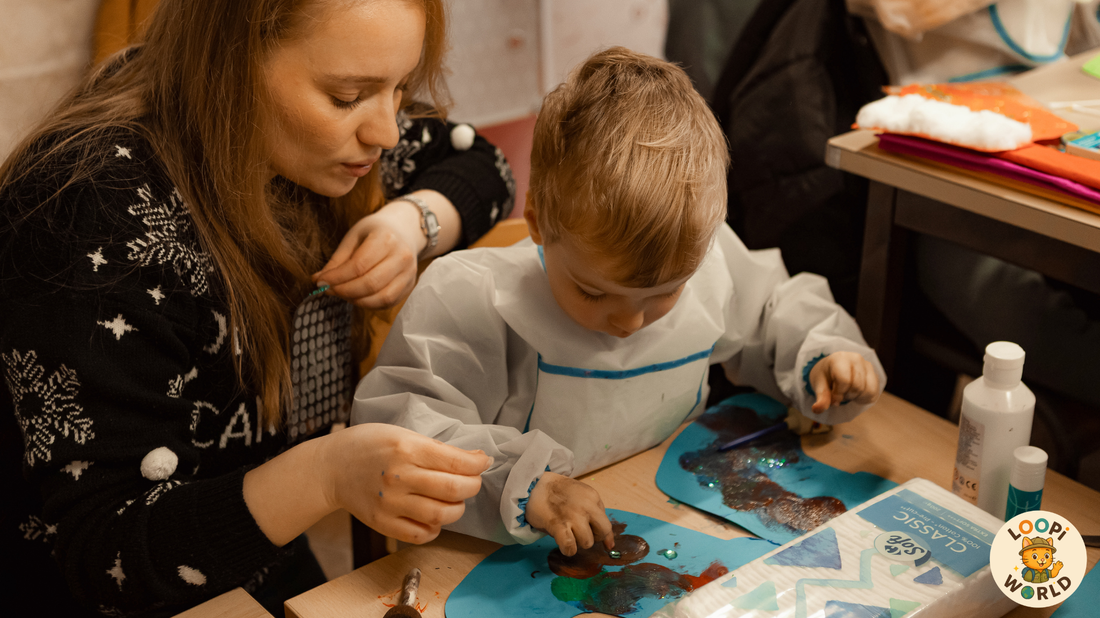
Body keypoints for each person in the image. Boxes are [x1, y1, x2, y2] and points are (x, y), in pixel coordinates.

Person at [0, 0, 514, 615]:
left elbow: (483, 163)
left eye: (400, 88)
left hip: (248, 555)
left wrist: (414, 221)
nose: (386, 133)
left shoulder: (302, 142)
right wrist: (325, 475)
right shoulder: (91, 216)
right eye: (348, 97)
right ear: (231, 67)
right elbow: (110, 556)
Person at [352, 47, 886, 557]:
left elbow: (773, 310)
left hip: (661, 507)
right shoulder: (472, 301)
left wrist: (824, 355)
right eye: (593, 291)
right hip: (498, 552)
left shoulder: (708, 262)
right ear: (538, 221)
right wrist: (521, 484)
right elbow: (406, 432)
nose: (630, 320)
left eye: (665, 294)